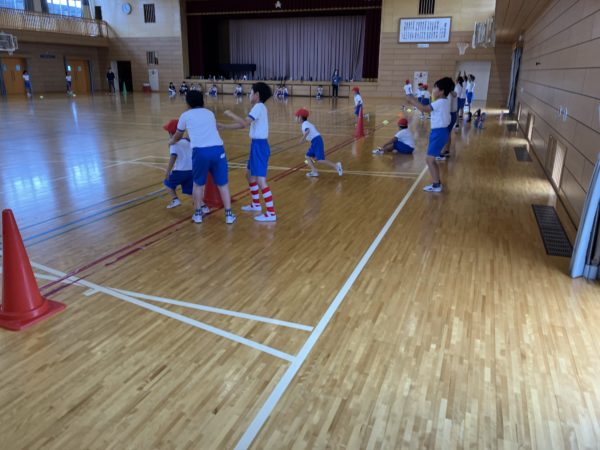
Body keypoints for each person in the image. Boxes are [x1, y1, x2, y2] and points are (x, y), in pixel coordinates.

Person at [168, 91, 236, 224]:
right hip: (218, 150)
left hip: (200, 152)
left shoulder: (185, 115)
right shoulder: (209, 113)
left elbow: (178, 135)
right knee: (223, 184)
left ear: (188, 103)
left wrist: (171, 141)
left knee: (198, 184)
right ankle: (229, 215)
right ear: (202, 101)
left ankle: (198, 214)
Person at [219, 82, 277, 222]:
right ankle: (256, 204)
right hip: (256, 145)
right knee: (249, 175)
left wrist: (231, 114)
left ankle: (271, 213)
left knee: (261, 181)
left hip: (260, 146)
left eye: (250, 92)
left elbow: (244, 123)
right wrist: (224, 127)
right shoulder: (259, 108)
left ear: (257, 95)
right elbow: (243, 125)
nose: (249, 95)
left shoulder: (258, 107)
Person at [406, 77, 455, 193]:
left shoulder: (439, 102)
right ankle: (437, 183)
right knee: (431, 160)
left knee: (429, 160)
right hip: (440, 132)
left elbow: (424, 108)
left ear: (441, 91)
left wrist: (412, 100)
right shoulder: (445, 101)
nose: (433, 90)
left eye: (435, 88)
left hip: (438, 133)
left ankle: (436, 185)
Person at [294, 108, 343, 177]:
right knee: (307, 156)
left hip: (317, 141)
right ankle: (314, 172)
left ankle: (336, 166)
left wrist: (302, 139)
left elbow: (307, 131)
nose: (295, 118)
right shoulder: (306, 123)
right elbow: (310, 134)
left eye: (297, 116)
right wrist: (304, 140)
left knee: (320, 160)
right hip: (315, 141)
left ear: (300, 117)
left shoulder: (304, 124)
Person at [162, 119, 194, 209]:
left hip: (180, 171)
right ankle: (202, 206)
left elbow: (173, 156)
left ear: (170, 133)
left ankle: (175, 199)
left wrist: (168, 170)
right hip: (192, 170)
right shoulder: (188, 141)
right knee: (190, 191)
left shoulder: (173, 143)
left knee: (167, 183)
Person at [437, 84, 458, 161]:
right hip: (453, 114)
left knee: (445, 133)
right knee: (448, 133)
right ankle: (446, 151)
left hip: (450, 114)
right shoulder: (454, 93)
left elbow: (446, 107)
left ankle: (442, 152)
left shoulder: (449, 95)